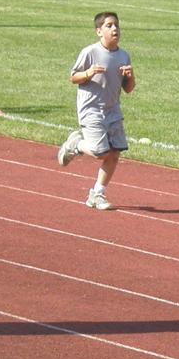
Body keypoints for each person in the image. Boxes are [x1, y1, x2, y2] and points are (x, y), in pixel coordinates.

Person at [56, 12, 137, 211]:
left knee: (115, 152)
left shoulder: (123, 55)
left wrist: (130, 76)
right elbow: (73, 78)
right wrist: (88, 73)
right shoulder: (89, 52)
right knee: (101, 153)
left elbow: (128, 89)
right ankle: (75, 144)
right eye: (109, 26)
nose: (115, 29)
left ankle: (97, 194)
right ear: (99, 31)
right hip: (91, 108)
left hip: (113, 109)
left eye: (116, 25)